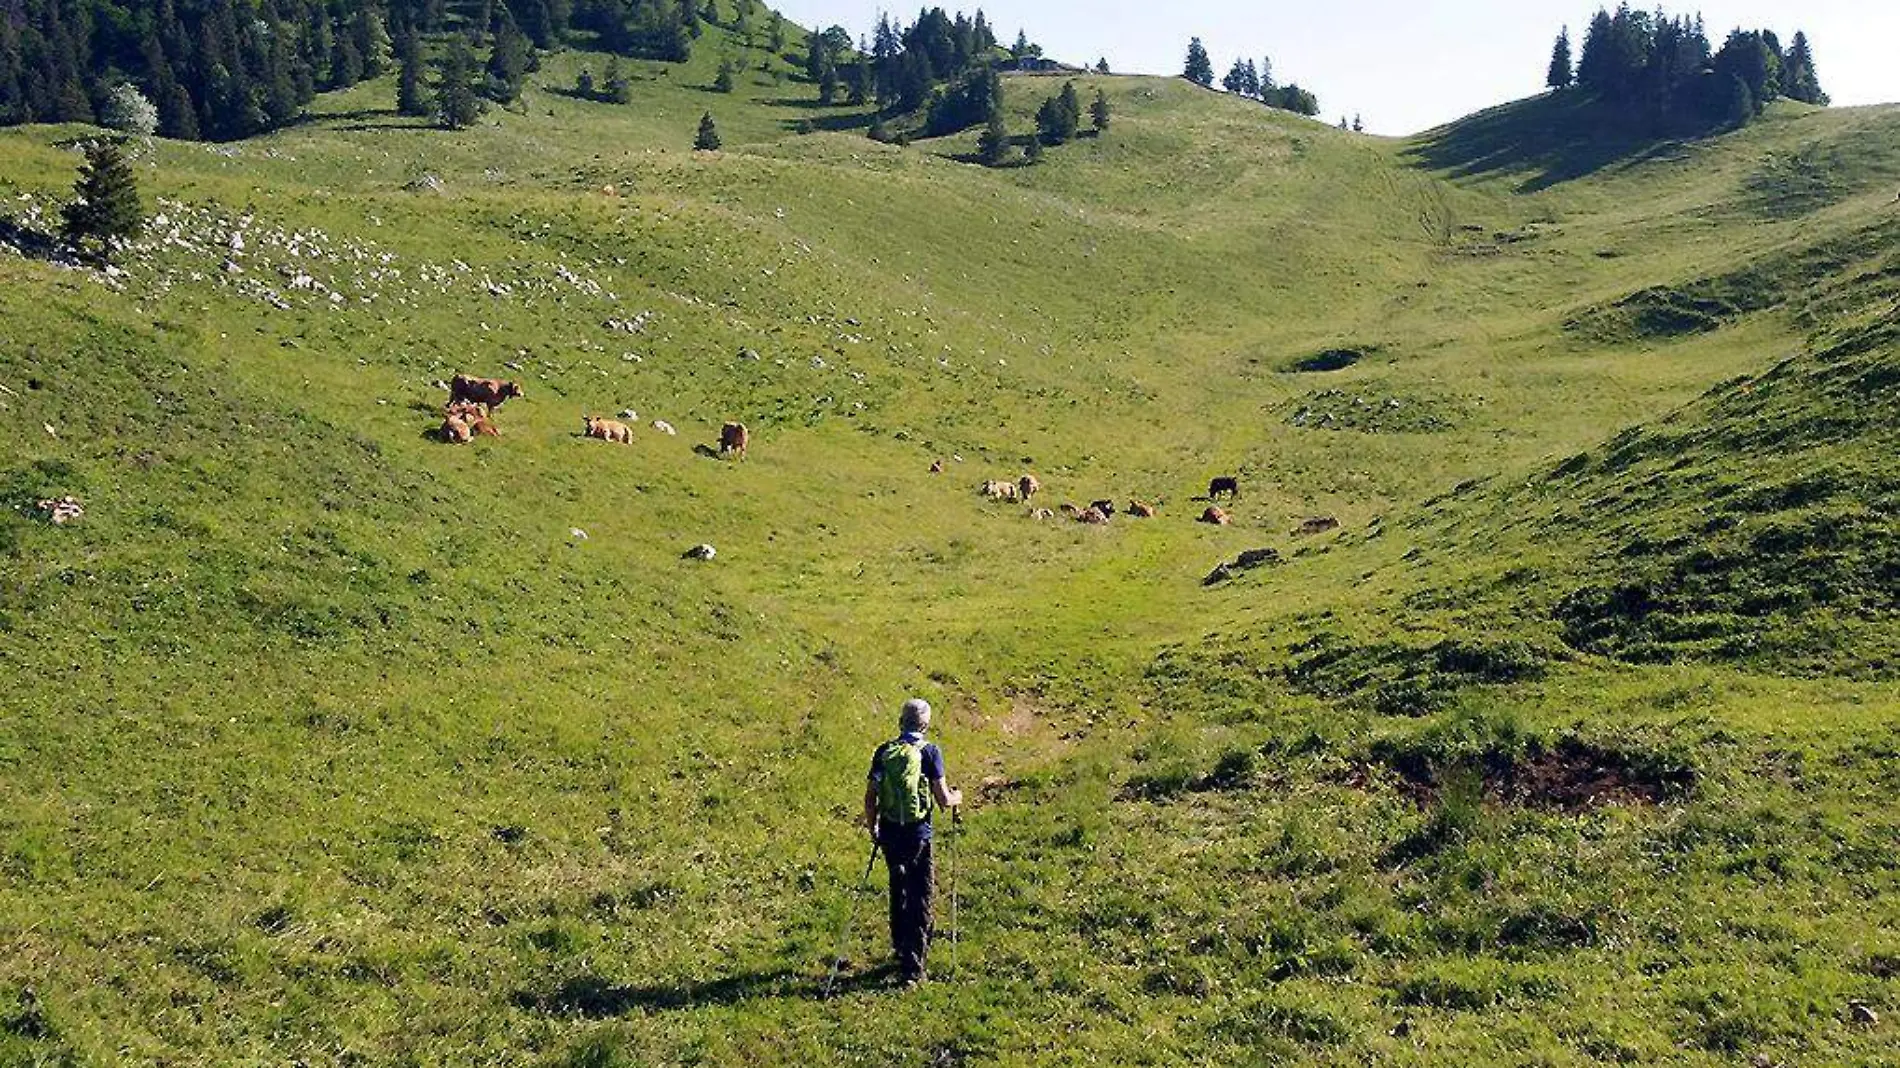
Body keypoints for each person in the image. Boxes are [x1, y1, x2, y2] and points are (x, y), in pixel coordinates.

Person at [864, 697, 963, 987]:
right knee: (921, 895)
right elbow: (943, 800)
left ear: (900, 722)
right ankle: (912, 968)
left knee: (898, 886)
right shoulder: (930, 752)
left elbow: (870, 798)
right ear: (926, 724)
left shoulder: (884, 752)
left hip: (891, 833)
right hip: (919, 834)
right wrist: (959, 797)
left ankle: (898, 946)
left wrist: (874, 829)